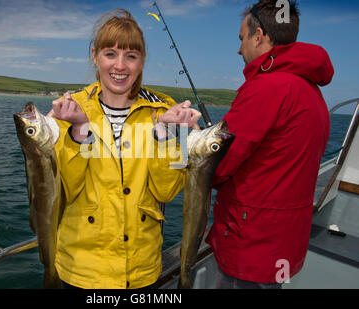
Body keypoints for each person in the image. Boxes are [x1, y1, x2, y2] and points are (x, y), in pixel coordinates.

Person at [47, 9, 201, 289]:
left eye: (131, 56)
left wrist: (164, 133)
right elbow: (63, 188)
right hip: (80, 272)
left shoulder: (168, 112)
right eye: (110, 54)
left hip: (144, 272)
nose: (120, 66)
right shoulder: (66, 111)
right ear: (95, 56)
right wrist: (80, 131)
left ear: (142, 62)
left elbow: (167, 191)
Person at [207, 0, 334, 288]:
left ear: (259, 36)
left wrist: (195, 141)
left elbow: (218, 167)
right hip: (282, 244)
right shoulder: (310, 91)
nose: (239, 49)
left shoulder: (266, 87)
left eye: (242, 39)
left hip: (250, 247)